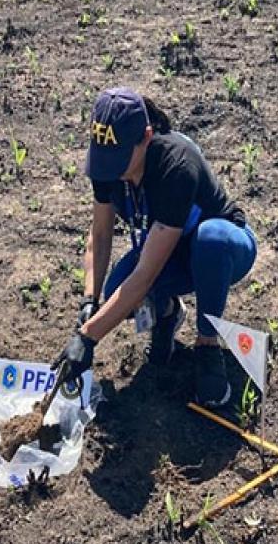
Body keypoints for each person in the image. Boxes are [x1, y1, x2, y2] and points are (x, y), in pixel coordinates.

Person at [53, 87, 257, 407]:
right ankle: (167, 313)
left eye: (118, 158)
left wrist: (86, 337)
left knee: (210, 240)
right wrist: (89, 302)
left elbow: (146, 273)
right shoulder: (107, 164)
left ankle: (207, 343)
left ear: (146, 137)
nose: (110, 168)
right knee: (115, 291)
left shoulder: (176, 166)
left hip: (226, 248)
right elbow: (101, 233)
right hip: (167, 249)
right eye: (104, 158)